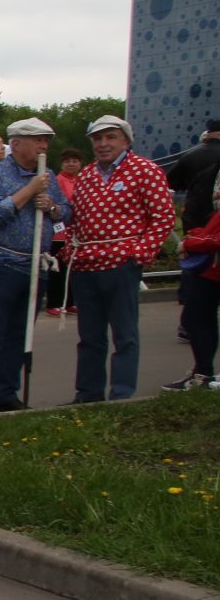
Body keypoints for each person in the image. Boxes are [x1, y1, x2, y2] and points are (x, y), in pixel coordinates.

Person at [0, 117, 68, 414]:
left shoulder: (49, 176)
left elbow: (65, 213)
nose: (43, 146)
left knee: (20, 334)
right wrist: (29, 191)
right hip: (0, 264)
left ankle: (6, 393)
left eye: (46, 140)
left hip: (35, 265)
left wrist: (53, 207)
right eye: (37, 140)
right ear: (16, 143)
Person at [67, 114, 174, 403]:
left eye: (110, 137)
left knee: (124, 335)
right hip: (85, 265)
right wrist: (69, 250)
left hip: (121, 264)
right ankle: (88, 394)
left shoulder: (144, 170)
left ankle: (122, 396)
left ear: (126, 140)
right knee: (90, 337)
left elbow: (163, 215)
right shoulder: (86, 175)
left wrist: (140, 252)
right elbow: (74, 219)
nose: (103, 144)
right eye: (97, 138)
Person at [171, 173, 220, 390]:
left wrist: (191, 243)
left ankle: (203, 374)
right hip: (209, 270)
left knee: (198, 320)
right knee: (197, 320)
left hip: (213, 271)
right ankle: (202, 372)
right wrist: (196, 235)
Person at [46, 150, 84, 316]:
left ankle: (70, 302)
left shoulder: (84, 180)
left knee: (74, 270)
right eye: (67, 161)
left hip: (77, 234)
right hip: (58, 233)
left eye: (75, 161)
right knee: (57, 270)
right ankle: (54, 302)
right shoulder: (57, 181)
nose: (71, 164)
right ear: (62, 164)